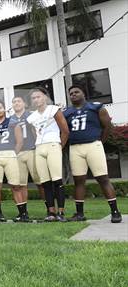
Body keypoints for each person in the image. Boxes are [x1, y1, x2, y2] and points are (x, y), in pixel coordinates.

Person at [64, 84, 122, 223]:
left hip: (93, 145)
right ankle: (79, 213)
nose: (73, 95)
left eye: (76, 92)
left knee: (103, 179)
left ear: (83, 93)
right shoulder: (67, 112)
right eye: (71, 93)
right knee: (79, 181)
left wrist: (100, 141)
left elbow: (107, 126)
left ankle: (115, 212)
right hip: (75, 148)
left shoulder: (95, 107)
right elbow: (64, 130)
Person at [27, 87, 69, 222]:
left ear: (45, 97)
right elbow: (35, 134)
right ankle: (51, 211)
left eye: (38, 96)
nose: (36, 99)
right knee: (45, 182)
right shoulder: (32, 116)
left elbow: (65, 131)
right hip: (40, 148)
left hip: (53, 145)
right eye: (33, 98)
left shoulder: (53, 109)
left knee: (57, 180)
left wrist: (59, 146)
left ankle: (61, 212)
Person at [10, 96, 45, 211]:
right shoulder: (10, 119)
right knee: (21, 184)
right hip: (18, 154)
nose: (16, 103)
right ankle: (23, 212)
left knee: (40, 181)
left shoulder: (31, 115)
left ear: (24, 103)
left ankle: (49, 208)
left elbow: (37, 131)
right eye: (14, 102)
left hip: (32, 150)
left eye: (19, 101)